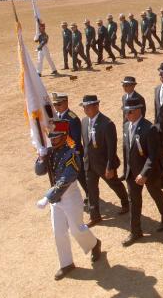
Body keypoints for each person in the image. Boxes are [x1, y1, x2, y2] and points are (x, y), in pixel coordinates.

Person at [34, 120, 102, 280]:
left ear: (64, 136)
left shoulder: (72, 154)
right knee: (58, 232)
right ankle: (66, 264)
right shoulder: (50, 152)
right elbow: (39, 172)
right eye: (51, 136)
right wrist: (41, 158)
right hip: (56, 199)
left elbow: (66, 179)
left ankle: (94, 243)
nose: (52, 140)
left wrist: (47, 197)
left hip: (70, 197)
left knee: (76, 229)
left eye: (56, 137)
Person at [121, 97, 163, 247]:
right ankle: (135, 231)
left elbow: (153, 155)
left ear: (138, 111)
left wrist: (144, 173)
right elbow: (126, 151)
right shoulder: (126, 127)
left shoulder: (149, 129)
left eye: (129, 112)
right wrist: (126, 170)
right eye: (125, 112)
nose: (127, 115)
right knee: (134, 201)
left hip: (148, 173)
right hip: (132, 171)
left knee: (156, 194)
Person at [80, 95, 129, 227]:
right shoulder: (84, 122)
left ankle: (125, 202)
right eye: (84, 107)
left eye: (88, 107)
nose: (86, 110)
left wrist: (110, 166)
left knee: (114, 184)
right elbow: (85, 144)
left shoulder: (107, 124)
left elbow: (111, 148)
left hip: (103, 164)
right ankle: (95, 216)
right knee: (91, 190)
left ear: (97, 106)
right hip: (89, 164)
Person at [52, 92, 88, 207]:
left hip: (73, 153)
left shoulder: (72, 118)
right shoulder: (56, 117)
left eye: (59, 104)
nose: (56, 107)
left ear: (66, 102)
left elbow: (75, 139)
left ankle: (90, 194)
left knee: (81, 176)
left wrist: (67, 149)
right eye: (55, 104)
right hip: (62, 152)